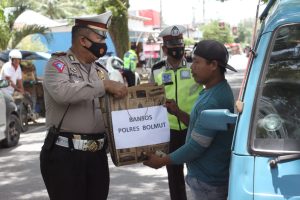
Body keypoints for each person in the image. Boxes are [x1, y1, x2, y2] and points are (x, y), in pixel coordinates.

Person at [40, 11, 127, 200]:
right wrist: (103, 86)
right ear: (83, 41)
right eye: (99, 37)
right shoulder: (58, 64)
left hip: (97, 156)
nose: (103, 43)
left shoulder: (100, 71)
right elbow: (63, 93)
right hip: (65, 156)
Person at [144, 40, 237, 200]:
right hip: (209, 179)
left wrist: (162, 160)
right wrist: (178, 112)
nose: (192, 67)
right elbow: (199, 125)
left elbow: (196, 147)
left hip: (209, 183)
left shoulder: (212, 101)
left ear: (213, 65)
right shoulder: (215, 90)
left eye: (196, 62)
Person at [150, 25, 203, 200]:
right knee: (174, 176)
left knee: (200, 174)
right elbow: (150, 97)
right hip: (169, 132)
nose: (178, 51)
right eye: (173, 48)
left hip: (193, 127)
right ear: (165, 49)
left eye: (180, 46)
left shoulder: (194, 66)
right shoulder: (156, 69)